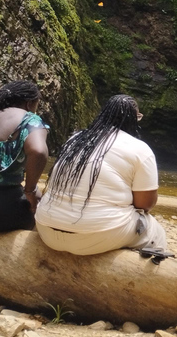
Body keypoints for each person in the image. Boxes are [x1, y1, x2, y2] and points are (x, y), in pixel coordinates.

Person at [35, 94, 167, 255]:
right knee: (156, 232)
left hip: (46, 229)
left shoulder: (75, 139)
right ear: (133, 119)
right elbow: (145, 204)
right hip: (96, 238)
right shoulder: (140, 149)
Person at [0, 80, 49, 234]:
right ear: (29, 104)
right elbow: (39, 151)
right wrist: (30, 190)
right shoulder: (29, 120)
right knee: (38, 208)